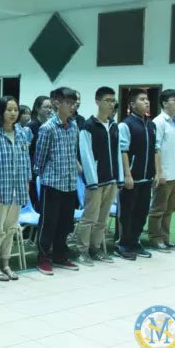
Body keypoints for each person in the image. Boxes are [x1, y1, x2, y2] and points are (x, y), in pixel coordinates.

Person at [34, 87, 80, 275]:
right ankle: (43, 257)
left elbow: (73, 154)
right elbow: (39, 158)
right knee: (48, 223)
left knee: (65, 223)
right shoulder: (48, 128)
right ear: (57, 104)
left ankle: (60, 255)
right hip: (52, 184)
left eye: (74, 103)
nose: (72, 107)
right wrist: (44, 177)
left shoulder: (74, 126)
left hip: (70, 183)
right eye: (68, 103)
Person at [0, 96, 31, 281]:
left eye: (15, 110)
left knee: (11, 229)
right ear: (1, 112)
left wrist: (26, 186)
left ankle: (6, 264)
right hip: (0, 190)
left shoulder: (22, 134)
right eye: (9, 110)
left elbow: (26, 161)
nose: (13, 113)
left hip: (17, 189)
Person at [77, 87, 122, 266]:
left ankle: (95, 249)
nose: (111, 104)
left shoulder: (114, 126)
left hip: (111, 180)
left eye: (113, 101)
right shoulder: (88, 126)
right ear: (97, 102)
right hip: (95, 182)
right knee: (89, 218)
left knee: (102, 219)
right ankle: (82, 251)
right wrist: (92, 180)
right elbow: (86, 154)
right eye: (107, 100)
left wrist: (119, 177)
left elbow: (117, 152)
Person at [116, 89, 158, 260]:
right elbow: (123, 151)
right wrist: (127, 175)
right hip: (131, 179)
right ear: (132, 104)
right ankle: (122, 244)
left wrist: (156, 172)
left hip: (146, 178)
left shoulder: (151, 125)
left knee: (141, 213)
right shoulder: (125, 125)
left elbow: (155, 150)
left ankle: (134, 242)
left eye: (147, 99)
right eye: (142, 99)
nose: (146, 102)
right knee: (127, 213)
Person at [148, 89, 175, 252]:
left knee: (170, 209)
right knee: (158, 208)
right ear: (164, 103)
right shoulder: (159, 122)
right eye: (174, 100)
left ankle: (165, 238)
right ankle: (155, 239)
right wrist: (159, 172)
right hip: (164, 173)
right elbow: (155, 149)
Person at [27, 96, 52, 209]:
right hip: (34, 170)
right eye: (46, 107)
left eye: (50, 107)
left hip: (48, 170)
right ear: (37, 108)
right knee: (37, 204)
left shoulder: (51, 126)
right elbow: (27, 151)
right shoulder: (30, 127)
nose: (49, 110)